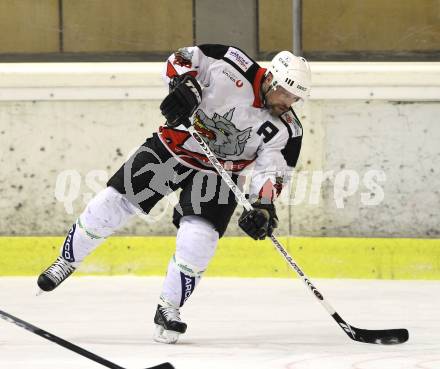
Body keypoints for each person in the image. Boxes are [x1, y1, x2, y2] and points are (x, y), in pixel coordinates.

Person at [37, 44, 311, 344]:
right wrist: (185, 84)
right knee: (112, 204)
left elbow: (272, 171)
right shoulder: (231, 62)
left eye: (295, 96)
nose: (289, 101)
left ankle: (169, 309)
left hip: (220, 174)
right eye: (285, 92)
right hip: (172, 149)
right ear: (270, 78)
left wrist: (263, 206)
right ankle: (66, 261)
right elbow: (182, 57)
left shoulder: (287, 128)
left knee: (200, 237)